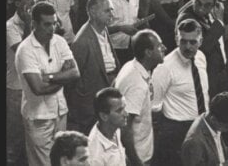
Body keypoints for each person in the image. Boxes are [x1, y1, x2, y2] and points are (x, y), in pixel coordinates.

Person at [14, 2, 80, 166]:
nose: (52, 28)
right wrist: (63, 79)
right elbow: (38, 88)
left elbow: (75, 73)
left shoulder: (60, 42)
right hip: (38, 118)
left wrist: (48, 77)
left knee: (62, 161)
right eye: (47, 24)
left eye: (54, 23)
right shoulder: (26, 50)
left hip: (60, 112)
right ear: (34, 24)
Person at [151, 19, 210, 166]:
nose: (188, 47)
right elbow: (154, 106)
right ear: (177, 39)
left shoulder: (201, 57)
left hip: (202, 125)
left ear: (200, 41)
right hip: (176, 131)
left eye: (193, 42)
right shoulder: (164, 67)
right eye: (183, 41)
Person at [66, 0, 121, 134]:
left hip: (107, 97)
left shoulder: (103, 29)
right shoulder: (82, 41)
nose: (112, 14)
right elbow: (72, 82)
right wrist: (84, 108)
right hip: (91, 108)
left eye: (111, 10)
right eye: (107, 11)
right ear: (93, 12)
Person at [114, 30, 166, 166]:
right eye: (160, 46)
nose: (164, 48)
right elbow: (125, 128)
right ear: (148, 52)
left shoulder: (131, 66)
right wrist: (136, 161)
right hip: (137, 157)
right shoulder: (137, 84)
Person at [177, 0, 228, 97]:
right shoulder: (187, 18)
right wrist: (220, 22)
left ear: (214, 5)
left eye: (207, 5)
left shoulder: (207, 14)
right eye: (198, 3)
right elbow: (202, 47)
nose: (201, 9)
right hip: (200, 77)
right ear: (193, 0)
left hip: (215, 74)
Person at [181, 92, 228, 166]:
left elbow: (213, 150)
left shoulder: (211, 122)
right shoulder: (194, 142)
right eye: (227, 127)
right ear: (214, 120)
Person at [8, 0, 34, 166]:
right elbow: (24, 54)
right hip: (16, 89)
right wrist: (28, 24)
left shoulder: (34, 23)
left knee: (31, 138)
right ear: (17, 3)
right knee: (16, 139)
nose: (31, 1)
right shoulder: (10, 27)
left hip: (32, 88)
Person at [87, 87, 128, 166]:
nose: (126, 114)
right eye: (119, 110)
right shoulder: (95, 154)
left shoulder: (115, 128)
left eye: (124, 108)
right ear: (104, 116)